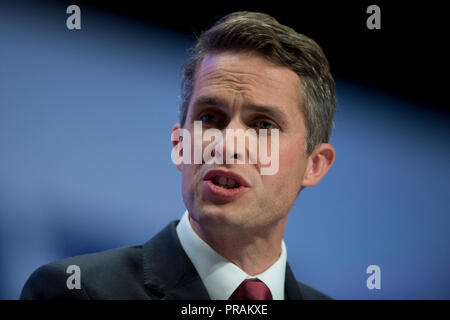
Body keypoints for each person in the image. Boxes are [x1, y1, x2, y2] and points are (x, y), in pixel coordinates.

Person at [20, 11, 336, 300]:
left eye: (263, 125)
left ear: (314, 165)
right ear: (180, 145)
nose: (227, 145)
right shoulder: (76, 292)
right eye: (210, 118)